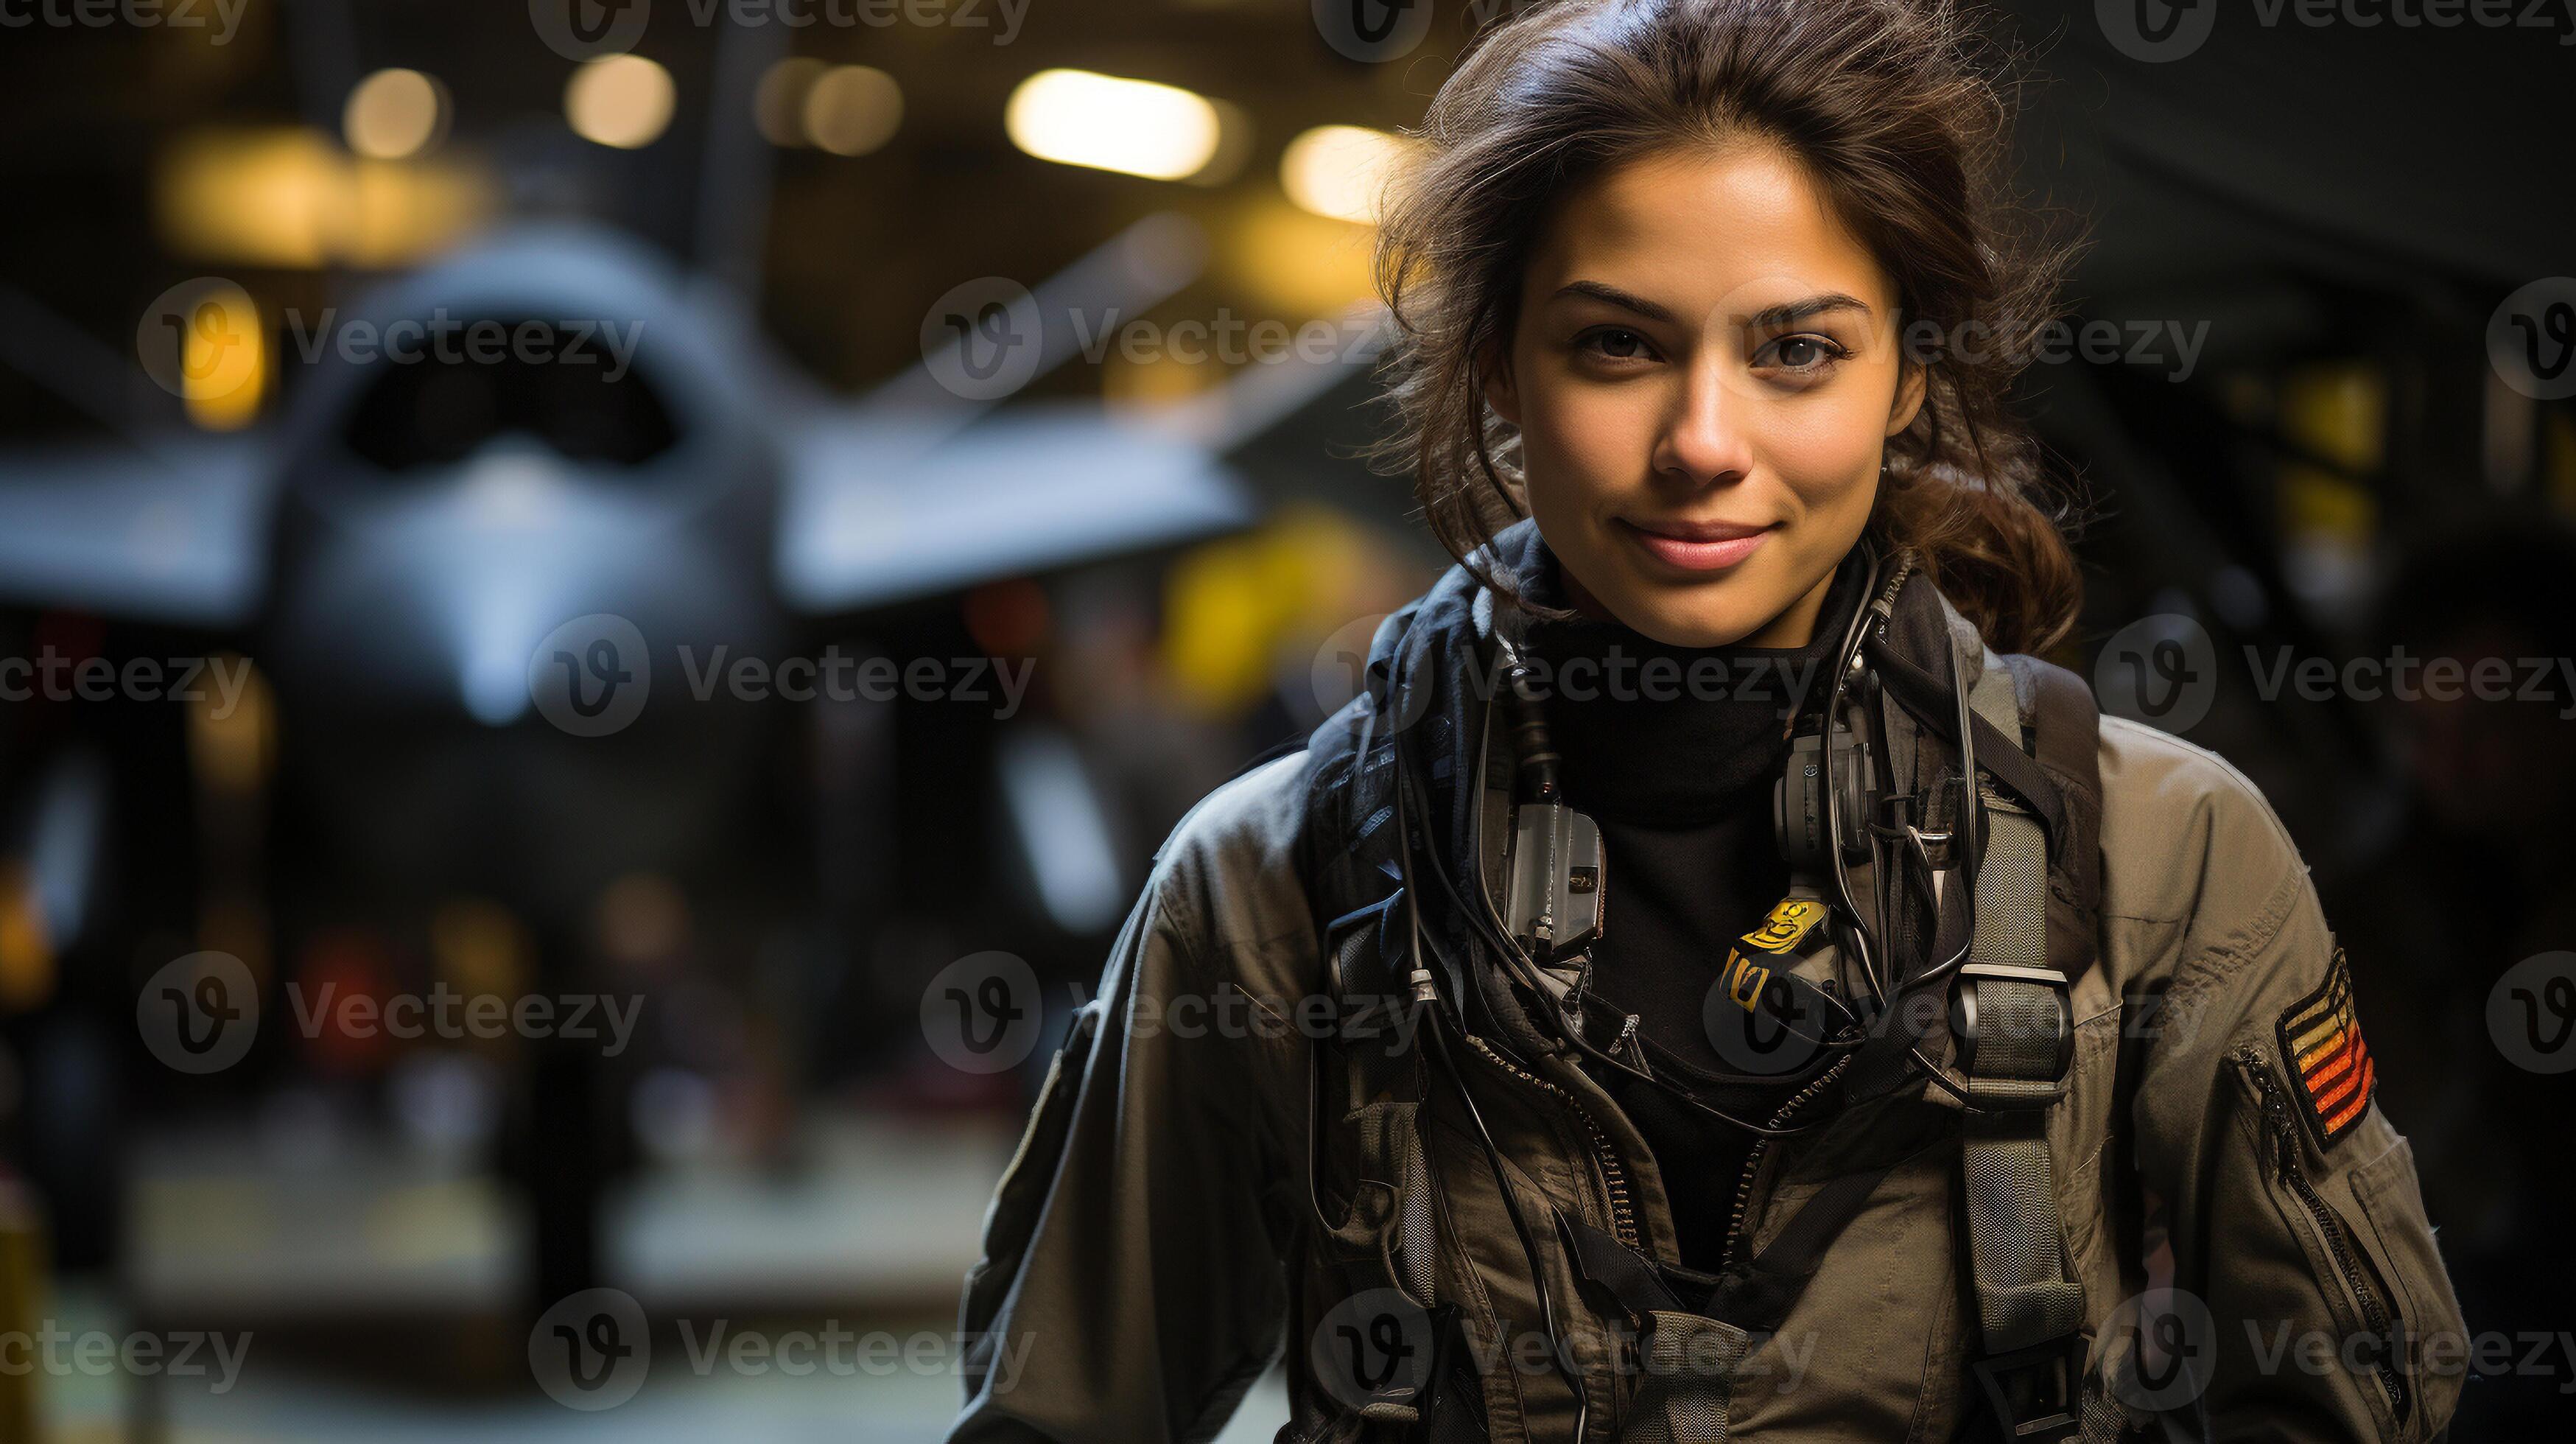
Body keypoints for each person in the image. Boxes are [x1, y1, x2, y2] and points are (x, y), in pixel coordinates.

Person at [947, 1, 2469, 1439]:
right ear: (1497, 367)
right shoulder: (1266, 889)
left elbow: (2357, 1396)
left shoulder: (2162, 857)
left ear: (1909, 377)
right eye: (1617, 343)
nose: (1702, 443)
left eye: (1797, 348)